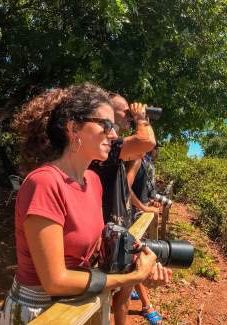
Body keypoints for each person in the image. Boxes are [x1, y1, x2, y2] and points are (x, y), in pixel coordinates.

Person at [0, 83, 170, 324]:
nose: (114, 134)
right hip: (41, 313)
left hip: (79, 306)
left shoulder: (92, 180)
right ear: (73, 128)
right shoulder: (45, 183)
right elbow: (55, 280)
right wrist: (127, 279)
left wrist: (138, 264)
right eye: (106, 125)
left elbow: (96, 249)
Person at [89, 93, 157, 325]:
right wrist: (141, 118)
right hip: (106, 234)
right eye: (125, 111)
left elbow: (142, 149)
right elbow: (146, 142)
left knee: (124, 292)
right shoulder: (103, 148)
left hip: (120, 227)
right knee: (104, 299)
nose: (130, 114)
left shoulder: (111, 148)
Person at [125, 149, 163, 324]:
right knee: (137, 257)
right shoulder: (136, 157)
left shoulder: (147, 160)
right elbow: (125, 188)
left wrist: (149, 202)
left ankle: (131, 288)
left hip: (138, 214)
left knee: (134, 256)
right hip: (129, 215)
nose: (156, 149)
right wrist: (144, 207)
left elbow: (143, 188)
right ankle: (147, 306)